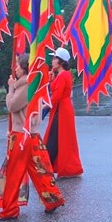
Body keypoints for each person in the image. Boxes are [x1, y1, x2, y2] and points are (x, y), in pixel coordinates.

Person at [0, 54, 65, 221]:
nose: (15, 68)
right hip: (31, 134)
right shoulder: (34, 83)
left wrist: (10, 88)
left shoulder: (25, 86)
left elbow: (12, 106)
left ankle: (9, 209)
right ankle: (52, 199)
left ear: (25, 68)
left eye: (18, 66)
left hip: (22, 135)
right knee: (39, 170)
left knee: (13, 173)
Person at [44, 47, 83, 178]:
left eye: (54, 58)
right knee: (58, 137)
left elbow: (57, 95)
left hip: (62, 109)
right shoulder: (61, 75)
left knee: (54, 138)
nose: (52, 60)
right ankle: (51, 165)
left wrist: (45, 105)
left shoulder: (63, 75)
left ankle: (47, 165)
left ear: (60, 61)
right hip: (61, 107)